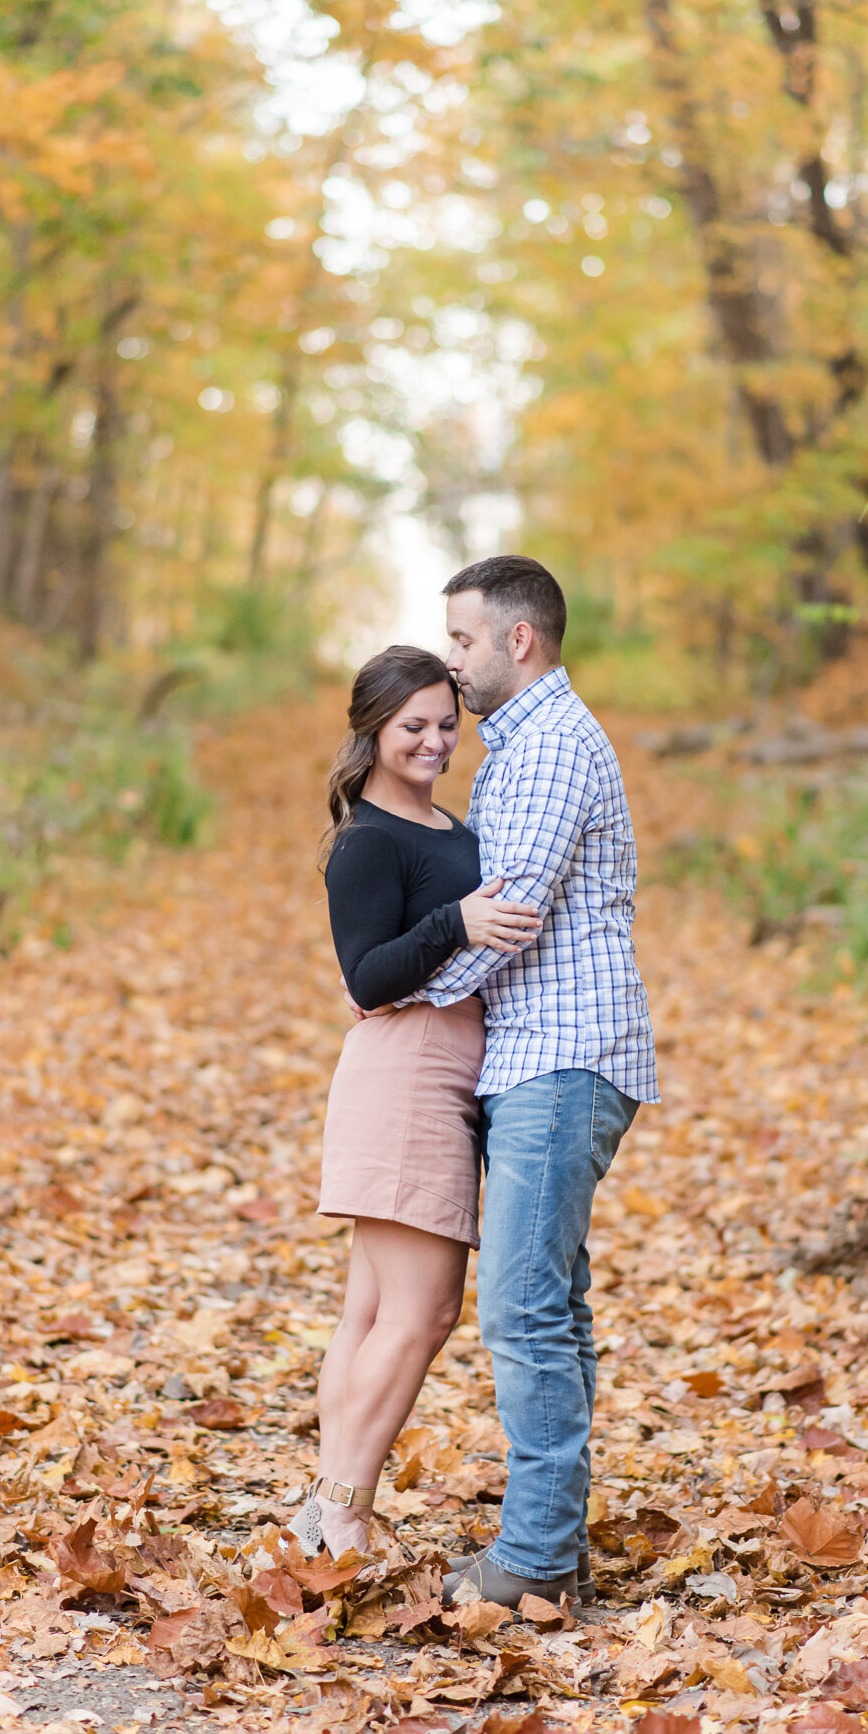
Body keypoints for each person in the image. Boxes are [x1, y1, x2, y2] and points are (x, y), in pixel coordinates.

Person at [403, 556, 660, 1612]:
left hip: (560, 1054)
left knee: (520, 1306)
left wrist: (397, 995)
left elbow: (504, 916)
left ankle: (539, 1557)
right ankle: (551, 1537)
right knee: (549, 1301)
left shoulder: (548, 744)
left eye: (461, 639)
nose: (450, 659)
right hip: (541, 1053)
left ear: (517, 639)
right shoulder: (521, 745)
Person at [289, 645, 541, 1561]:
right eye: (412, 728)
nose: (435, 741)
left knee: (370, 1312)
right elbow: (366, 975)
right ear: (372, 732)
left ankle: (325, 1513)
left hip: (437, 1068)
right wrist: (458, 922)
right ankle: (343, 1510)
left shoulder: (443, 824)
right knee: (422, 1312)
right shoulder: (367, 841)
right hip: (408, 1074)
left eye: (446, 723)